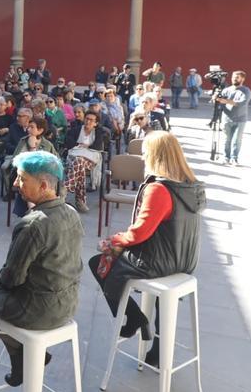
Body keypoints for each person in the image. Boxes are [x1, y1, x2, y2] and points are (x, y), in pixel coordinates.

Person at [88, 131, 205, 367]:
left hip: (158, 261)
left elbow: (140, 232)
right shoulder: (191, 184)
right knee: (162, 297)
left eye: (145, 152)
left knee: (98, 261)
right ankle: (159, 351)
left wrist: (114, 240)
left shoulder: (159, 189)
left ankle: (134, 317)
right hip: (185, 259)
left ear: (155, 155)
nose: (142, 157)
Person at [0, 151, 82, 386]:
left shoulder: (34, 223)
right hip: (68, 304)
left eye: (21, 179)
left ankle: (20, 352)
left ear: (43, 185)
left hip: (39, 309)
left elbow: (12, 279)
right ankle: (22, 353)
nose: (15, 184)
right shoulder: (70, 213)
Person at [12, 114, 58, 217]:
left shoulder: (47, 145)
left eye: (32, 127)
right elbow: (16, 160)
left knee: (42, 183)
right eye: (29, 126)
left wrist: (33, 148)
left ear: (40, 130)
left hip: (44, 175)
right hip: (24, 174)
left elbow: (55, 161)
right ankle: (33, 213)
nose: (28, 129)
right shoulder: (23, 141)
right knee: (31, 182)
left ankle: (36, 213)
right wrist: (31, 148)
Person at [63, 110, 109, 213]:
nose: (88, 122)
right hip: (75, 159)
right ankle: (80, 201)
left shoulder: (98, 132)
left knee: (79, 162)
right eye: (87, 119)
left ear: (96, 123)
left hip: (91, 159)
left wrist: (83, 145)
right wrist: (84, 146)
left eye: (91, 120)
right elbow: (68, 142)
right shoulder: (76, 130)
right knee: (80, 166)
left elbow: (98, 146)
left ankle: (66, 188)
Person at [214, 70, 251, 166]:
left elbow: (240, 103)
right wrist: (215, 98)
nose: (234, 79)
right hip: (226, 119)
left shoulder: (246, 91)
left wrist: (224, 101)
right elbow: (219, 102)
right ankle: (226, 158)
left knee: (236, 140)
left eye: (237, 77)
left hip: (240, 119)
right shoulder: (226, 90)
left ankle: (234, 158)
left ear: (242, 79)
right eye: (233, 77)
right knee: (227, 140)